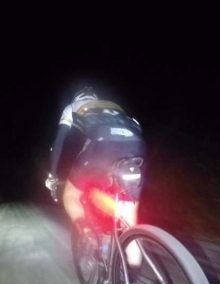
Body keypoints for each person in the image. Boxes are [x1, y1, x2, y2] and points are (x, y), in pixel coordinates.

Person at [45, 86, 146, 243]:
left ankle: (88, 236)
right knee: (130, 218)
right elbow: (136, 128)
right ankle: (132, 263)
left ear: (77, 98)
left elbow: (59, 142)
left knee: (71, 196)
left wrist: (53, 176)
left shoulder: (72, 107)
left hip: (101, 146)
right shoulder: (112, 106)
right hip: (135, 148)